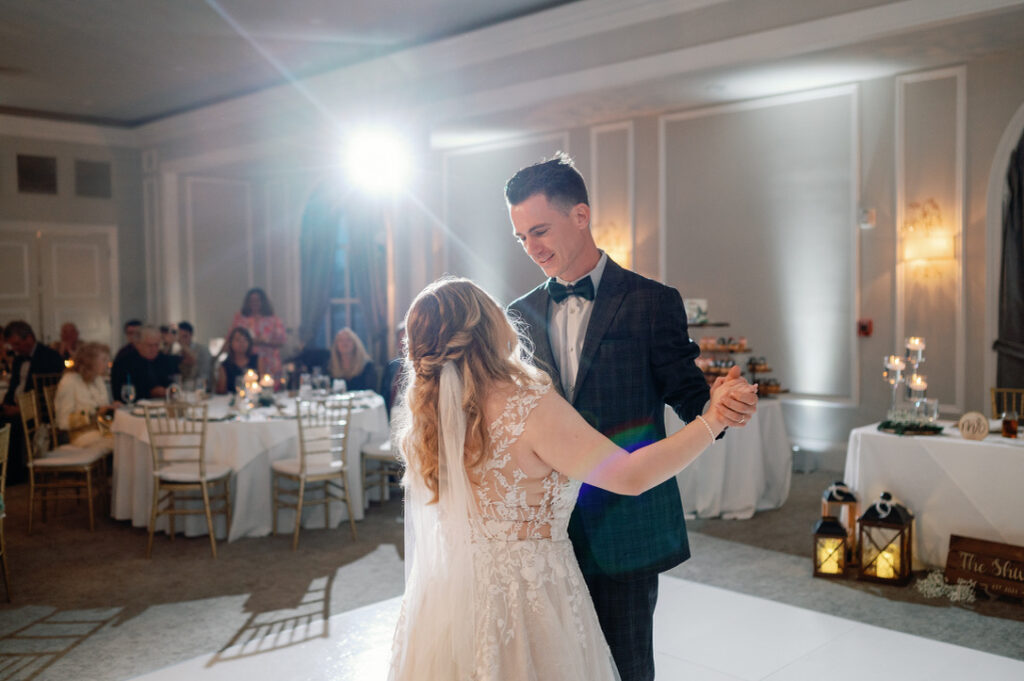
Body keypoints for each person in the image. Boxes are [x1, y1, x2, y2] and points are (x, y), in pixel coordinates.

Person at [387, 278, 756, 680]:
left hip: (447, 595)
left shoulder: (426, 421)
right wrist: (712, 421)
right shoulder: (528, 406)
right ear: (488, 325)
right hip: (529, 597)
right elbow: (630, 476)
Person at [505, 153, 758, 681]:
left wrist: (720, 407)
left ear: (581, 215)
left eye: (540, 231)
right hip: (544, 529)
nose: (532, 248)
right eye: (522, 237)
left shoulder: (651, 302)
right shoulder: (519, 314)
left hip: (625, 523)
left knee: (627, 667)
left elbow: (688, 395)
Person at [1, 321, 66, 483]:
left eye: (17, 344)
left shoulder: (50, 357)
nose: (14, 348)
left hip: (38, 411)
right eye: (12, 345)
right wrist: (7, 404)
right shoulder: (18, 360)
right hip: (16, 406)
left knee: (10, 425)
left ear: (29, 338)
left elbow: (48, 394)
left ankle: (12, 474)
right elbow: (14, 387)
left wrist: (20, 410)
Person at [54, 342, 116, 446]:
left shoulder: (97, 379)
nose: (108, 363)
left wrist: (110, 409)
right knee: (120, 443)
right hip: (80, 435)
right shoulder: (69, 381)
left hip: (101, 430)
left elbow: (104, 414)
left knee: (126, 438)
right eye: (104, 360)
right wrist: (93, 414)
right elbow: (63, 422)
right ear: (90, 361)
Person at [229, 288, 286, 376]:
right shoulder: (240, 318)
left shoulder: (273, 320)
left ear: (263, 302)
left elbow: (281, 341)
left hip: (269, 361)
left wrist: (265, 341)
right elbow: (230, 338)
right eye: (251, 300)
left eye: (257, 300)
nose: (254, 303)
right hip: (248, 361)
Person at [110, 326, 172, 401]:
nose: (154, 349)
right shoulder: (125, 360)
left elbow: (168, 381)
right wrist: (151, 392)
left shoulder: (160, 358)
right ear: (138, 344)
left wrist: (169, 389)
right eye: (150, 345)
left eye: (156, 345)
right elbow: (123, 392)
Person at [328, 328, 377, 392]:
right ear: (336, 345)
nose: (344, 343)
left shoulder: (367, 365)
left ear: (355, 344)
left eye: (348, 340)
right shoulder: (330, 366)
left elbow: (370, 390)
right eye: (340, 340)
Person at [215, 327, 262, 394]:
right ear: (231, 343)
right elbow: (221, 390)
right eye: (238, 340)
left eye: (245, 340)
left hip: (254, 396)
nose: (242, 343)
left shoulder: (256, 360)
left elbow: (263, 384)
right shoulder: (225, 365)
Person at [175, 321, 212, 387]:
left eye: (185, 336)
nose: (182, 340)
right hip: (183, 389)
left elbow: (204, 375)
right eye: (180, 337)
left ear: (191, 335)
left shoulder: (203, 351)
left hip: (199, 389)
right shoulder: (177, 354)